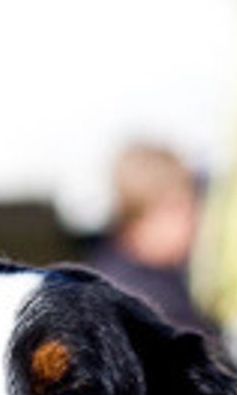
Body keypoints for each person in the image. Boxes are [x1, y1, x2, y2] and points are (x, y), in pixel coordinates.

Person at [88, 142, 215, 336]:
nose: (192, 220)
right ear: (141, 219)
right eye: (178, 209)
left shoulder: (162, 269)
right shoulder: (138, 298)